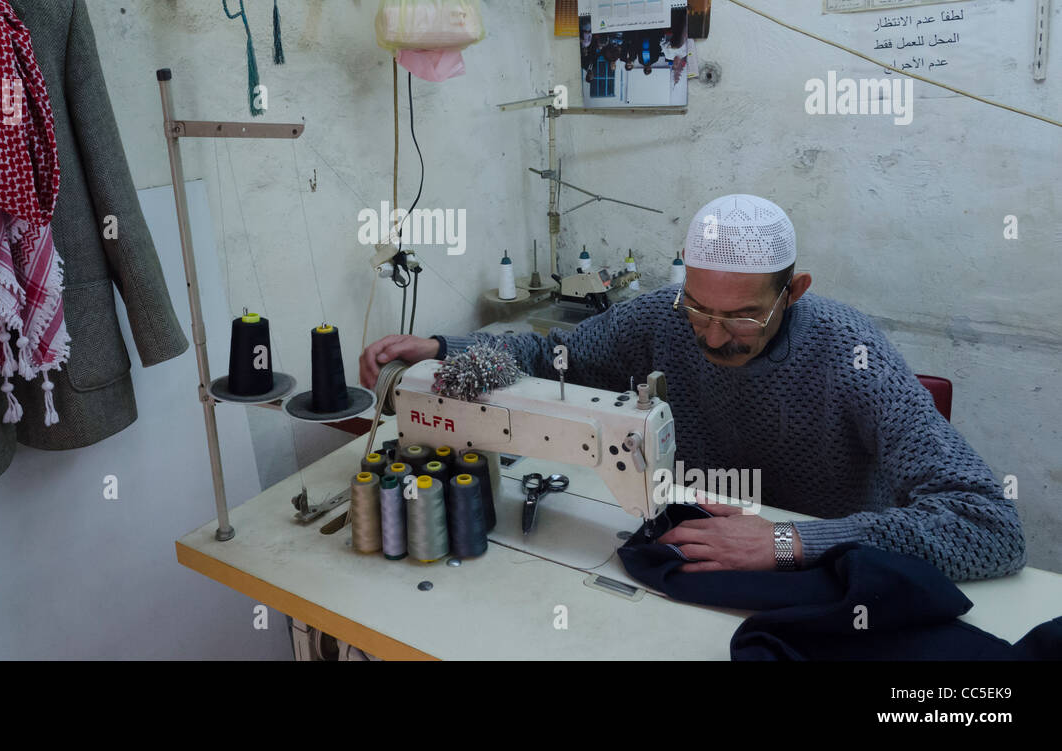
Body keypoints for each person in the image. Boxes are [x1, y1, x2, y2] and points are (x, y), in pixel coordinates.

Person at [359, 194, 1026, 582]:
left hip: (821, 580)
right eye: (700, 310)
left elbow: (990, 526)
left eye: (741, 317)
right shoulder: (662, 317)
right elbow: (547, 354)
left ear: (794, 292)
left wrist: (788, 541)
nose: (711, 337)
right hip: (697, 552)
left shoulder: (853, 353)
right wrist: (448, 348)